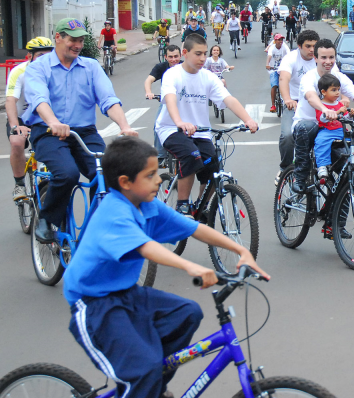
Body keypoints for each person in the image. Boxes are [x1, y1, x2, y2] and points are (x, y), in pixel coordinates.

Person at [63, 136, 269, 398]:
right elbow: (146, 248)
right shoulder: (113, 212)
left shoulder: (148, 206)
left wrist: (241, 250)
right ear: (125, 183)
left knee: (187, 313)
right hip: (93, 303)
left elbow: (195, 228)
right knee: (142, 372)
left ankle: (152, 387)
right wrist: (189, 266)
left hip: (127, 293)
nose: (159, 180)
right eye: (150, 175)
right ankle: (144, 383)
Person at [23, 18, 138, 243]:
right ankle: (47, 220)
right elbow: (39, 99)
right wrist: (53, 122)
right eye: (72, 40)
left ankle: (96, 228)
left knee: (108, 175)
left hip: (84, 133)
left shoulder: (91, 67)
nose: (77, 45)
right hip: (48, 132)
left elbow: (108, 100)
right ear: (58, 37)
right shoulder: (39, 67)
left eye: (80, 40)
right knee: (67, 174)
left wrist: (124, 126)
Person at [155, 34, 258, 215]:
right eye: (198, 54)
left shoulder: (208, 77)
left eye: (205, 53)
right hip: (171, 129)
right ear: (185, 53)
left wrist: (247, 119)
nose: (203, 58)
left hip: (200, 131)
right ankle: (182, 204)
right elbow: (170, 98)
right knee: (191, 154)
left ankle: (200, 207)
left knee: (214, 169)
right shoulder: (172, 74)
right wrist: (179, 122)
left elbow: (228, 99)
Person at [290, 37, 354, 196]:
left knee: (347, 169)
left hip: (331, 128)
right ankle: (300, 177)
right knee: (306, 127)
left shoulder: (339, 78)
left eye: (331, 57)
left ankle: (336, 212)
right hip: (308, 126)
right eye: (323, 57)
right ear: (315, 58)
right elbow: (311, 97)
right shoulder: (309, 77)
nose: (328, 61)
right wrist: (325, 109)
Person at [6, 37, 54, 201]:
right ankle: (19, 184)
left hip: (44, 119)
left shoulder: (55, 71)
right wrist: (15, 125)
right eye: (41, 55)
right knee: (17, 142)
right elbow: (11, 100)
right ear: (29, 56)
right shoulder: (19, 72)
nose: (45, 59)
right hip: (21, 118)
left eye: (49, 55)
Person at [275, 30, 325, 185]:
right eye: (308, 46)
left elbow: (337, 79)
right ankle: (285, 168)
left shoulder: (321, 59)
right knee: (288, 136)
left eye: (314, 46)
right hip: (295, 103)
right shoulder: (290, 59)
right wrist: (288, 99)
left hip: (318, 103)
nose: (311, 50)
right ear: (299, 46)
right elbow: (283, 79)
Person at [313, 73, 354, 183]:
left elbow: (343, 118)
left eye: (338, 89)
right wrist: (337, 112)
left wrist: (350, 115)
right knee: (320, 142)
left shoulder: (338, 103)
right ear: (323, 92)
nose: (337, 92)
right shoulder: (321, 104)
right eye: (333, 90)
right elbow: (322, 118)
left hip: (340, 131)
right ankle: (322, 166)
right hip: (327, 131)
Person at [145, 44, 182, 165]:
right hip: (167, 102)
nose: (173, 60)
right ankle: (161, 156)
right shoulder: (161, 67)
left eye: (176, 56)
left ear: (181, 56)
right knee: (158, 126)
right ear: (165, 57)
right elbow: (149, 80)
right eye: (170, 57)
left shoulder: (185, 67)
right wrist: (149, 92)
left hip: (184, 102)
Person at [266, 34, 289, 113]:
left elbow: (289, 54)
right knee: (274, 85)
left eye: (281, 40)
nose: (280, 42)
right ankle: (273, 105)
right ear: (275, 41)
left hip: (283, 68)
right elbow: (269, 56)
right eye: (279, 40)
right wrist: (267, 64)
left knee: (286, 84)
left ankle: (287, 100)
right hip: (273, 69)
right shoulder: (272, 48)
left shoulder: (284, 46)